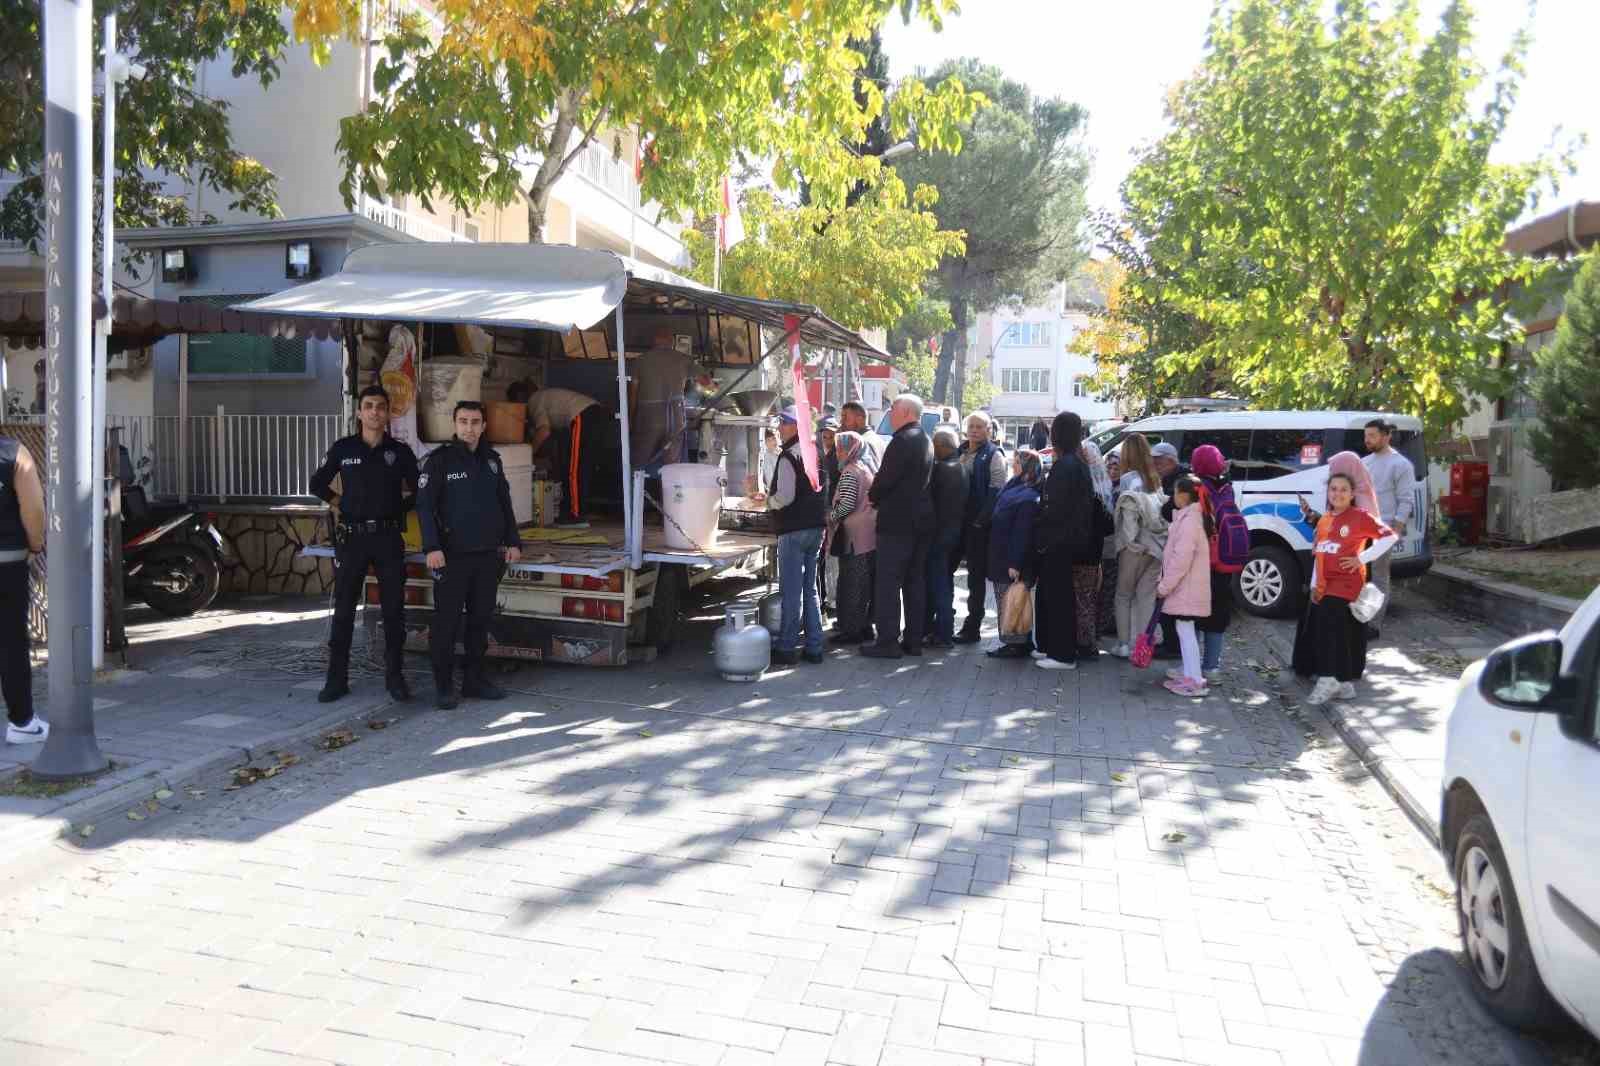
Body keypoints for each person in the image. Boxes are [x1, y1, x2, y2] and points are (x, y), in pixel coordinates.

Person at [309, 385, 421, 704]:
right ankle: (336, 680)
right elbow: (317, 483)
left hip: (388, 538)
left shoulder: (399, 452)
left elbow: (420, 490)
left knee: (394, 612)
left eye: (381, 406)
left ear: (387, 414)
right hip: (354, 538)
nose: (375, 411)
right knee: (344, 611)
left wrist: (400, 509)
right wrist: (340, 503)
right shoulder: (344, 449)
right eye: (369, 406)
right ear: (359, 413)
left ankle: (395, 679)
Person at [417, 401, 524, 709]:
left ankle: (474, 681)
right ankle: (444, 686)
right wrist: (432, 547)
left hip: (488, 557)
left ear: (483, 426)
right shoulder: (440, 461)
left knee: (480, 621)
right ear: (454, 423)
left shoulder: (491, 461)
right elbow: (425, 507)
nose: (469, 427)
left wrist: (513, 541)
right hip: (451, 558)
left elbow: (504, 504)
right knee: (447, 624)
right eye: (463, 421)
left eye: (475, 422)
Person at [1292, 469, 1398, 705]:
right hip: (1324, 585)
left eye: (1343, 489)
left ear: (1352, 494)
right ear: (1327, 492)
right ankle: (1345, 684)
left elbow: (1389, 536)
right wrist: (1314, 586)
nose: (1338, 493)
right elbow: (1319, 554)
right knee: (1335, 633)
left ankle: (1328, 678)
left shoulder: (1360, 516)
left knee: (1328, 630)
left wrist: (1361, 559)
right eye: (1333, 489)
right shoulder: (1326, 520)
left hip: (1346, 583)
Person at [862, 394, 934, 659]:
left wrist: (873, 496)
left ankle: (888, 641)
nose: (889, 413)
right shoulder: (925, 438)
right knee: (914, 581)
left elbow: (885, 479)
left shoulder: (902, 441)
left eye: (892, 408)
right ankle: (914, 640)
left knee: (888, 583)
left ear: (904, 411)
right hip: (921, 521)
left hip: (897, 523)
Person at [1032, 412, 1103, 671]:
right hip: (1070, 539)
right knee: (1055, 595)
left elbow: (1055, 508)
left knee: (1059, 596)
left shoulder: (1066, 466)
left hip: (1059, 541)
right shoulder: (1077, 463)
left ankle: (1062, 654)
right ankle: (1054, 647)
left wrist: (1042, 532)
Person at [767, 407, 827, 665]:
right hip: (816, 528)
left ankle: (787, 647)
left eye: (784, 423)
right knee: (810, 589)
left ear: (795, 426)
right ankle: (814, 646)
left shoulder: (788, 456)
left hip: (794, 530)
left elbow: (785, 497)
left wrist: (768, 501)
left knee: (791, 590)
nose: (780, 427)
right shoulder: (816, 451)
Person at [1, 435, 48, 744]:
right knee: (11, 641)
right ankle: (22, 722)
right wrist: (35, 544)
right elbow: (33, 511)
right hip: (6, 562)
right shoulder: (13, 454)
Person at [952, 412, 1009, 644]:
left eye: (979, 427)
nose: (974, 430)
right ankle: (945, 618)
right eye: (971, 426)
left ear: (989, 430)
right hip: (955, 523)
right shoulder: (959, 451)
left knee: (975, 578)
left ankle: (973, 625)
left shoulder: (995, 455)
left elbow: (997, 491)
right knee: (946, 569)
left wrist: (980, 521)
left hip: (978, 526)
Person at [1110, 434, 1167, 659]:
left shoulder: (1128, 479)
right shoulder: (1155, 478)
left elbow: (1127, 514)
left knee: (1123, 595)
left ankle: (1123, 645)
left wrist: (1129, 542)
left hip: (1134, 545)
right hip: (1156, 546)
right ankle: (1143, 647)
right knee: (1146, 598)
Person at [521, 384, 609, 529]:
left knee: (575, 469)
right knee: (583, 467)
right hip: (596, 413)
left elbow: (544, 432)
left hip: (582, 415)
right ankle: (581, 511)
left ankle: (575, 516)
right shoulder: (546, 397)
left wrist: (528, 454)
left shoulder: (534, 401)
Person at [1158, 475, 1214, 697]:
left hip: (1185, 589)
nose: (1172, 497)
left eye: (1174, 492)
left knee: (1186, 631)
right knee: (1185, 630)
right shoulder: (1192, 518)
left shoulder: (1189, 521)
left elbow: (1181, 559)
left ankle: (1195, 679)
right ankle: (1191, 675)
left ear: (1183, 494)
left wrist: (1164, 586)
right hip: (1186, 588)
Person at [986, 449, 1043, 659]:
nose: (1014, 466)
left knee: (1012, 600)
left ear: (1028, 468)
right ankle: (1016, 641)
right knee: (1008, 598)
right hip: (1002, 553)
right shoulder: (1015, 487)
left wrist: (1015, 563)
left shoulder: (1028, 497)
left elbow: (1022, 533)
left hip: (1011, 558)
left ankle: (1015, 644)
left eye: (1018, 463)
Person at [1361, 419, 1413, 638]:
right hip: (1361, 527)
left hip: (1384, 529)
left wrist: (1395, 531)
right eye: (1366, 436)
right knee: (1358, 573)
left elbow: (1406, 500)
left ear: (1386, 435)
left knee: (1380, 577)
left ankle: (1373, 625)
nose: (1367, 440)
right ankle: (1357, 618)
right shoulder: (1364, 462)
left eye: (1372, 435)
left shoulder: (1400, 464)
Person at [1190, 444, 1238, 679]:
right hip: (1225, 558)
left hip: (1203, 560)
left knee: (1195, 612)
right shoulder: (1227, 488)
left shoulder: (1197, 489)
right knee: (1218, 613)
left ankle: (1192, 665)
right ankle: (1212, 667)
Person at [827, 431, 877, 645]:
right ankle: (864, 626)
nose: (837, 452)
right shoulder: (865, 467)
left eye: (841, 448)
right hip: (868, 535)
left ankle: (852, 631)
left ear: (852, 449)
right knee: (864, 584)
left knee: (852, 584)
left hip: (855, 537)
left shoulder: (850, 471)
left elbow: (846, 505)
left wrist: (829, 516)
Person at [630, 327, 703, 469]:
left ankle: (638, 490)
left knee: (640, 462)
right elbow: (708, 384)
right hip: (675, 418)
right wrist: (692, 396)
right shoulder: (685, 359)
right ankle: (669, 490)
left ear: (653, 342)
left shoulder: (640, 361)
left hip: (648, 418)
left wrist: (631, 420)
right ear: (672, 342)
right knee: (672, 467)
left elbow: (633, 393)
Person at [924, 426, 968, 648]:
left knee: (939, 583)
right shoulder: (960, 468)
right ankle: (943, 629)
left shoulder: (941, 469)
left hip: (939, 535)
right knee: (944, 582)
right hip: (954, 534)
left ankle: (942, 633)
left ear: (940, 446)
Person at [1151, 440, 1189, 660]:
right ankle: (1172, 643)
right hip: (1171, 544)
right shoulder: (1170, 478)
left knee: (1168, 597)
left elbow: (1169, 511)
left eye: (1159, 462)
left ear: (1171, 461)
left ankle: (1173, 646)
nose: (1155, 465)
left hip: (1177, 547)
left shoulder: (1181, 482)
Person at [1082, 440, 1119, 639]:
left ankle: (1095, 629)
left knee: (1100, 589)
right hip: (1100, 544)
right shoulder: (1100, 480)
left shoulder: (1096, 481)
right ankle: (1092, 630)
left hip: (1101, 545)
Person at [838, 401, 884, 469]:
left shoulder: (862, 443)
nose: (841, 421)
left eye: (845, 417)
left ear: (860, 419)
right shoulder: (878, 440)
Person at [757, 427, 781, 495]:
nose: (772, 442)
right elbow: (770, 481)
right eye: (768, 440)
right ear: (765, 443)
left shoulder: (780, 452)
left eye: (773, 438)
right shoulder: (767, 457)